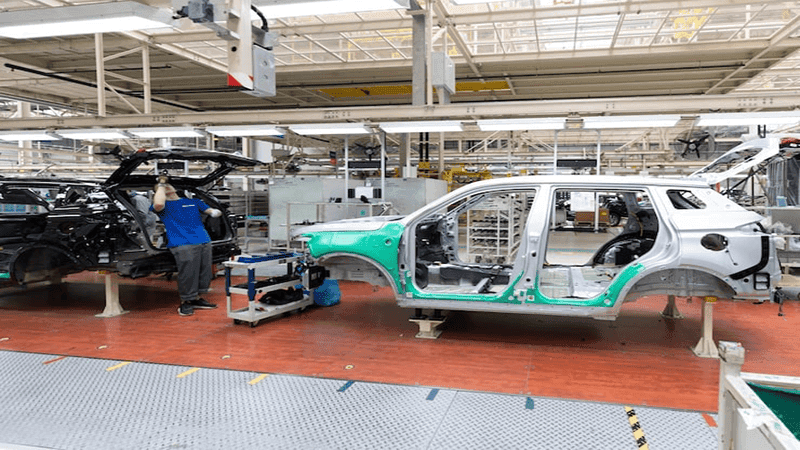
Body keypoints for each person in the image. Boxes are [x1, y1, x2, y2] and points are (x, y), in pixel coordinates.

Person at [151, 175, 223, 316]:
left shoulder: (193, 202)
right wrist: (160, 184)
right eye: (162, 189)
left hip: (204, 240)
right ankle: (186, 302)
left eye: (168, 186)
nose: (167, 188)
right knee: (188, 273)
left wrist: (215, 212)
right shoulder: (164, 207)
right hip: (182, 243)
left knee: (205, 272)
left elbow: (211, 211)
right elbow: (158, 204)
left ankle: (197, 298)